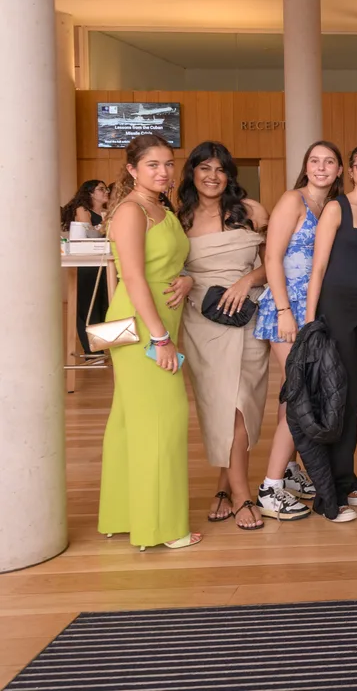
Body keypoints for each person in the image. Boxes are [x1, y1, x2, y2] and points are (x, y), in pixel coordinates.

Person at [97, 134, 200, 551]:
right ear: (132, 169)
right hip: (144, 327)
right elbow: (134, 277)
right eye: (153, 165)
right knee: (164, 421)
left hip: (159, 320)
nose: (163, 171)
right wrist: (160, 337)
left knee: (130, 421)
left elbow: (173, 263)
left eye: (168, 164)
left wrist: (188, 279)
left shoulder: (161, 207)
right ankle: (163, 527)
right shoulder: (130, 210)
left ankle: (123, 514)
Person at [174, 141, 271, 531]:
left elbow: (276, 261)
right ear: (192, 173)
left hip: (246, 315)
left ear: (230, 175)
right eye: (204, 168)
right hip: (202, 321)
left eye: (220, 169)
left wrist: (246, 280)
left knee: (241, 402)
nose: (212, 176)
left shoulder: (251, 211)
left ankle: (229, 486)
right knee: (219, 405)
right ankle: (237, 490)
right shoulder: (178, 219)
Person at [253, 140, 344, 522]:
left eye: (329, 162)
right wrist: (284, 309)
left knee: (292, 397)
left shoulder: (331, 207)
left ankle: (289, 471)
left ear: (340, 170)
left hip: (312, 311)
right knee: (299, 398)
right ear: (306, 166)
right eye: (314, 161)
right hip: (285, 308)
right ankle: (270, 488)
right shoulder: (294, 200)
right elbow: (272, 257)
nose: (321, 167)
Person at [305, 143, 357, 521]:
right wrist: (309, 322)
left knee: (351, 398)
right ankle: (328, 496)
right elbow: (318, 267)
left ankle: (346, 480)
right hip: (334, 307)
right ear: (350, 171)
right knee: (333, 400)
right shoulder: (337, 207)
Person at [61, 179, 110, 354]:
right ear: (90, 193)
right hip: (88, 263)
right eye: (101, 189)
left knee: (104, 305)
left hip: (104, 263)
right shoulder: (82, 210)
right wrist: (106, 227)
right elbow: (89, 233)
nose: (106, 192)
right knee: (88, 306)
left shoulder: (106, 212)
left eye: (106, 189)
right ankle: (92, 351)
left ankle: (102, 346)